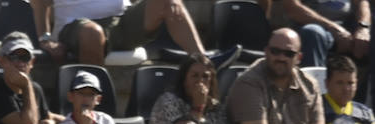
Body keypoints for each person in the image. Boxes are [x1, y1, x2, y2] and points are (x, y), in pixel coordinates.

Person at [33, 0, 237, 69]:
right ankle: (97, 112)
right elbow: (39, 3)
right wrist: (45, 39)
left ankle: (204, 62)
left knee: (168, 1)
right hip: (76, 27)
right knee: (92, 33)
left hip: (121, 22)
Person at [277, 0, 371, 69]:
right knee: (312, 32)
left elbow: (363, 3)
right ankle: (314, 91)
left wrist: (363, 27)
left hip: (349, 26)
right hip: (316, 27)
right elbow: (292, 8)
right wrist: (333, 28)